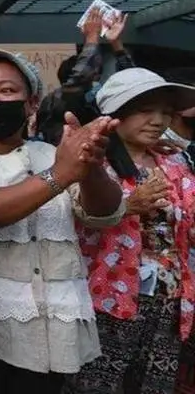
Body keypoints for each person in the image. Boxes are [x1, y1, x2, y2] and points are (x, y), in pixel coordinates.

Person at [0, 49, 125, 394]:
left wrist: (91, 166)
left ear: (31, 103)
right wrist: (60, 175)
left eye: (7, 91)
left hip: (48, 337)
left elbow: (104, 214)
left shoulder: (49, 154)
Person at [64, 68, 195, 394]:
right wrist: (128, 204)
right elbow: (80, 214)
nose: (157, 120)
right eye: (145, 109)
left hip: (169, 302)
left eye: (165, 111)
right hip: (107, 301)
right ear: (115, 114)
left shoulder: (175, 162)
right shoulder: (91, 164)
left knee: (154, 385)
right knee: (96, 384)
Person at [36, 8, 133, 145]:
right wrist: (92, 37)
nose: (97, 83)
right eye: (94, 77)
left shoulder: (97, 103)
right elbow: (81, 77)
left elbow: (134, 87)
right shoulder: (55, 101)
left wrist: (116, 44)